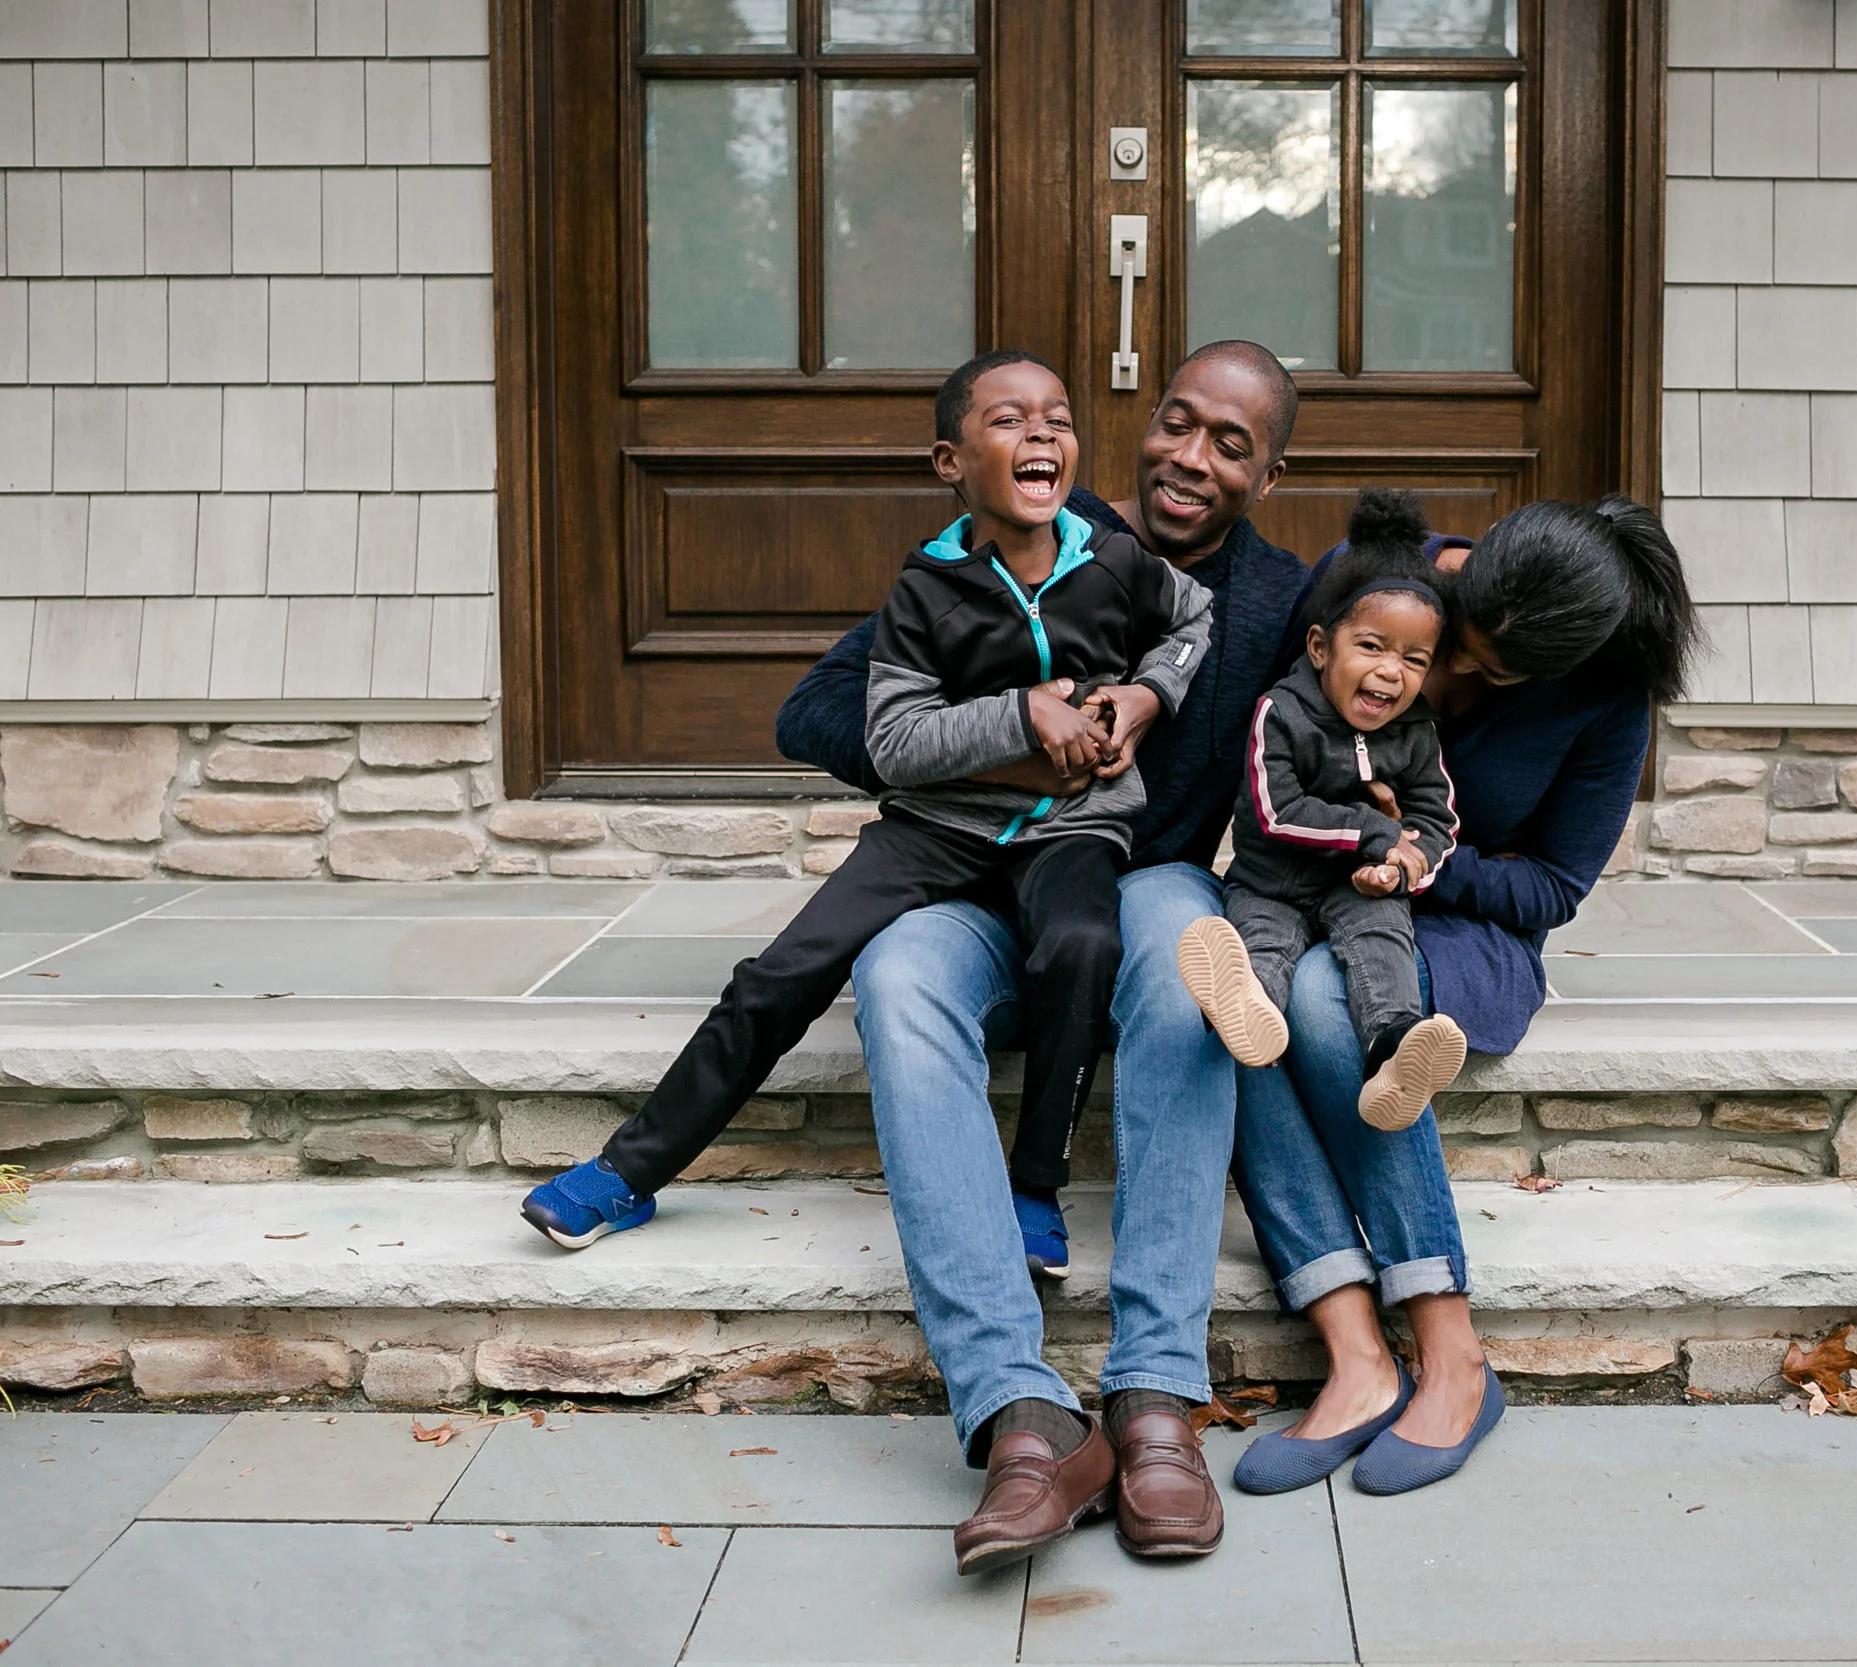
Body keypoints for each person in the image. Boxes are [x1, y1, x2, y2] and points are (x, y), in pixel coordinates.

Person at [776, 342, 1315, 1573]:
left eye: (1229, 444)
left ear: (1268, 475)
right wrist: (1013, 733)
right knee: (898, 975)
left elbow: (1376, 679)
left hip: (1145, 885)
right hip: (979, 878)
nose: (1189, 457)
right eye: (1176, 423)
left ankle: (1156, 1393)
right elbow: (815, 712)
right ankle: (1018, 1407)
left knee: (1194, 953)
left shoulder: (1278, 598)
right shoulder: (1020, 534)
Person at [517, 351, 1211, 1293]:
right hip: (936, 827)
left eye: (1058, 416)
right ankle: (629, 1170)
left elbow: (1193, 622)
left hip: (1071, 825)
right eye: (1008, 420)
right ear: (949, 462)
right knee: (782, 972)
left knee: (1084, 943)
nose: (1042, 433)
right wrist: (1020, 713)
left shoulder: (1113, 558)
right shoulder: (926, 587)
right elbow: (893, 740)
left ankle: (1034, 1187)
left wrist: (1144, 698)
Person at [1228, 494, 1696, 1499]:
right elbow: (1279, 728)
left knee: (1319, 1000)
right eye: (1457, 648)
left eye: (1490, 672)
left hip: (1466, 930)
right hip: (1313, 881)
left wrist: (1421, 856)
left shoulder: (1606, 694)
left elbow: (1551, 886)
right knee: (1238, 999)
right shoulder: (1376, 575)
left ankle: (1451, 1353)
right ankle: (1354, 1352)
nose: (1449, 677)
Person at [1179, 489, 1466, 1133]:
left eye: (1414, 659)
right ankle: (1243, 1010)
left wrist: (1400, 870)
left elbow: (1437, 819)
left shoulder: (1415, 732)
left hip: (1356, 889)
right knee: (1263, 948)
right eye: (1372, 646)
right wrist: (1378, 834)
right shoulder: (1279, 713)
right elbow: (1277, 811)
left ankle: (1394, 1051)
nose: (1391, 673)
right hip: (1271, 884)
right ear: (1319, 647)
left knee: (1383, 939)